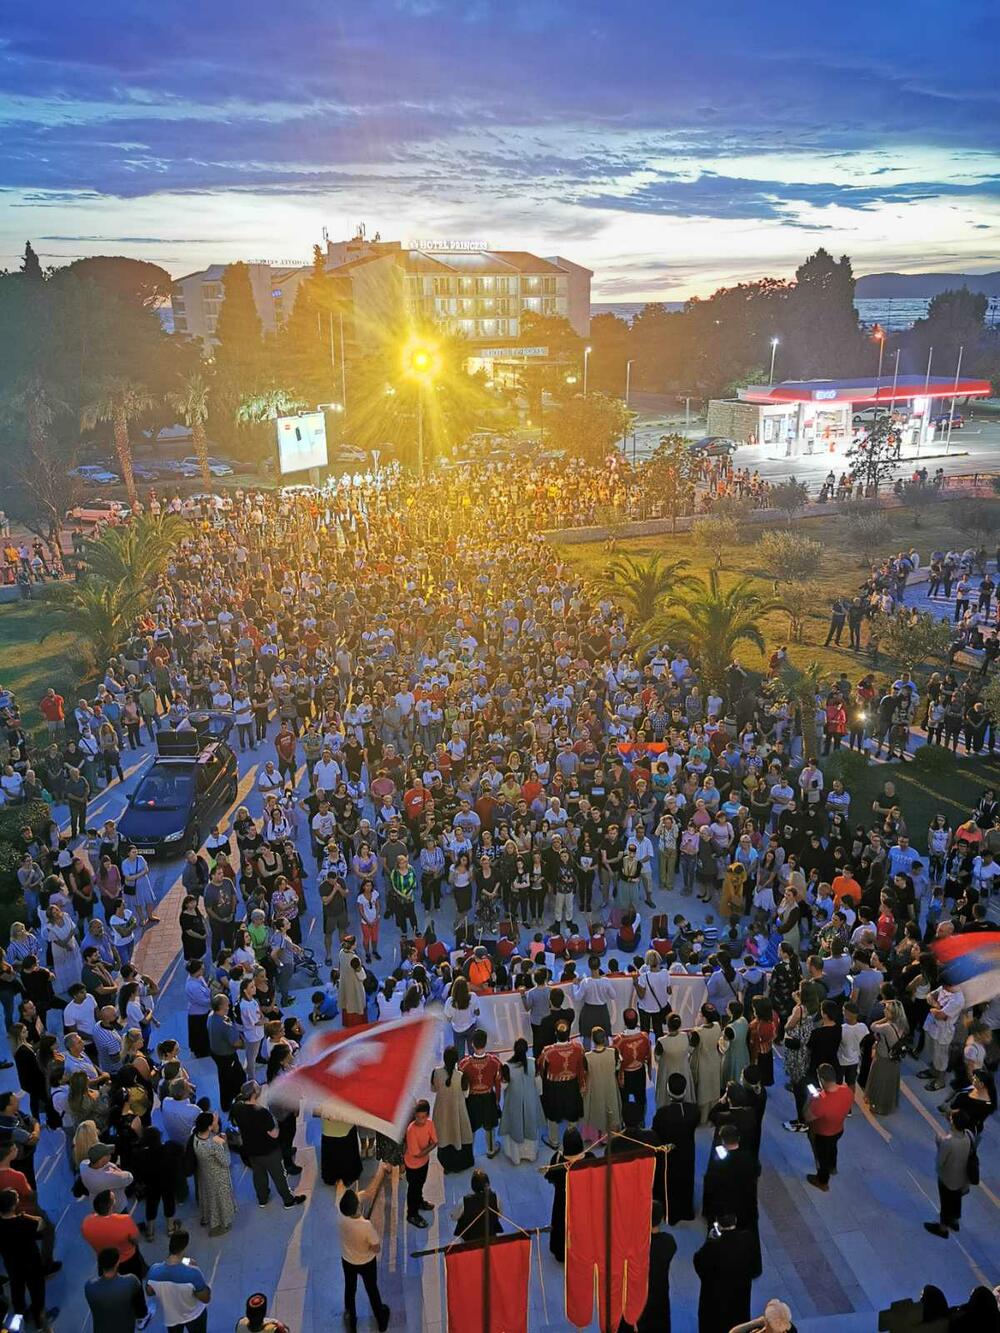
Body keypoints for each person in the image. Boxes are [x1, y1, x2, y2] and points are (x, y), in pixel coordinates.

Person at [229, 1081, 306, 1211]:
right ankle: (288, 1200)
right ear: (254, 1095)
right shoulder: (262, 1112)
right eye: (257, 1088)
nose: (260, 1089)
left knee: (259, 1176)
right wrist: (275, 1122)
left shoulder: (237, 1108)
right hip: (269, 1151)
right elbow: (274, 1134)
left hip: (251, 1150)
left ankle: (262, 1199)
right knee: (279, 1176)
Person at [0, 1186, 58, 1331]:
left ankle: (19, 1314)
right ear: (14, 1205)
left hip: (12, 1264)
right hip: (31, 1262)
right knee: (37, 1290)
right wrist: (25, 1215)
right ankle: (39, 1319)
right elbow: (41, 1224)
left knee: (16, 1288)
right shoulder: (24, 1221)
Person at [339, 1179, 391, 1333]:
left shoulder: (339, 1218)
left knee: (350, 1288)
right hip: (366, 1262)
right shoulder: (365, 1226)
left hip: (347, 1260)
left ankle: (351, 1321)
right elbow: (376, 1248)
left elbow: (364, 1195)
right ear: (357, 1208)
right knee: (372, 1289)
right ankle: (380, 1319)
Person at [693, 1213, 757, 1333]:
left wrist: (709, 1241)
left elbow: (699, 1263)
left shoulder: (713, 1247)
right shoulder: (747, 1239)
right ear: (735, 1221)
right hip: (739, 1296)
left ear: (718, 1223)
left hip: (716, 1300)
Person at [652, 1072, 698, 1224]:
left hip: (669, 1156)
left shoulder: (662, 1114)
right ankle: (686, 1211)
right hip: (687, 1153)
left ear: (668, 1090)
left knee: (669, 1182)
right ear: (685, 1090)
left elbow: (655, 1133)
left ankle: (670, 1213)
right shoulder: (693, 1111)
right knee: (686, 1180)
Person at [145, 1229, 211, 1333]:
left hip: (172, 1318)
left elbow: (149, 1292)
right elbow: (206, 1298)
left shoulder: (153, 1271)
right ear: (184, 1247)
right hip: (195, 1315)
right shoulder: (193, 1272)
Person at [923, 1108, 974, 1238]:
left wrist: (939, 1143)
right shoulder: (968, 1135)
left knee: (945, 1203)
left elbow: (940, 1161)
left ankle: (942, 1228)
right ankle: (955, 1221)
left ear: (953, 1123)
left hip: (948, 1179)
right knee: (956, 1199)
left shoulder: (948, 1142)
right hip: (962, 1177)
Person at [542, 1125, 591, 1262]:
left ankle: (561, 1253)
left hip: (562, 1200)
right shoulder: (589, 1158)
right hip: (583, 1200)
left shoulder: (557, 1160)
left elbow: (550, 1178)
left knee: (561, 1224)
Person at [803, 1063, 853, 1191]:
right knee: (833, 1147)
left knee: (821, 1157)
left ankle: (822, 1181)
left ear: (822, 1080)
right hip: (838, 1130)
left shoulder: (820, 1101)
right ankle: (833, 1167)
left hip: (823, 1135)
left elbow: (807, 1116)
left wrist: (811, 1098)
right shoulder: (847, 1091)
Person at [499, 1037, 544, 1163]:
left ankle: (515, 1157)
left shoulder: (507, 1066)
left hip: (513, 1103)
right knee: (530, 1125)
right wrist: (537, 1095)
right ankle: (530, 1154)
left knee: (515, 1127)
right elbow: (538, 1084)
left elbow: (503, 1086)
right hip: (530, 1101)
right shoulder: (532, 1062)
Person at [86, 1246, 149, 1333]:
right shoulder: (131, 1280)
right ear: (117, 1263)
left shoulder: (89, 1287)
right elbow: (137, 1292)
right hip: (125, 1328)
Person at [191, 1111, 235, 1237]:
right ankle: (218, 1226)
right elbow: (226, 1161)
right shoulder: (214, 1145)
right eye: (215, 1121)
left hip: (205, 1174)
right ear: (210, 1127)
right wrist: (224, 1143)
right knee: (220, 1201)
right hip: (218, 1177)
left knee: (207, 1197)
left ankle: (206, 1217)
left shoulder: (195, 1136)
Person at [403, 1100, 438, 1227]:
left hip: (424, 1162)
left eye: (423, 1117)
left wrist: (429, 1147)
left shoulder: (430, 1124)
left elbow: (435, 1140)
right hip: (412, 1165)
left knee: (420, 1184)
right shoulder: (411, 1130)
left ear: (427, 1115)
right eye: (418, 1117)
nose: (420, 1120)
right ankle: (411, 1214)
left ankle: (419, 1201)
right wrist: (431, 1146)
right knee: (413, 1188)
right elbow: (416, 1153)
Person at [452, 1168, 503, 1241]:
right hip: (490, 1234)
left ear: (473, 1186)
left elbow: (454, 1217)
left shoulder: (464, 1201)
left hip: (470, 1238)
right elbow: (500, 1215)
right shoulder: (495, 1197)